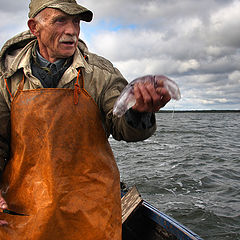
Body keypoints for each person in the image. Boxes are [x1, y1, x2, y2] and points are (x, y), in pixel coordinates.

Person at [0, 0, 171, 239]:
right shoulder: (6, 76)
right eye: (60, 21)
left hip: (90, 210)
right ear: (34, 27)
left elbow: (122, 126)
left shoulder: (101, 73)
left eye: (76, 22)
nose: (72, 30)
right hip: (26, 210)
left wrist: (140, 111)